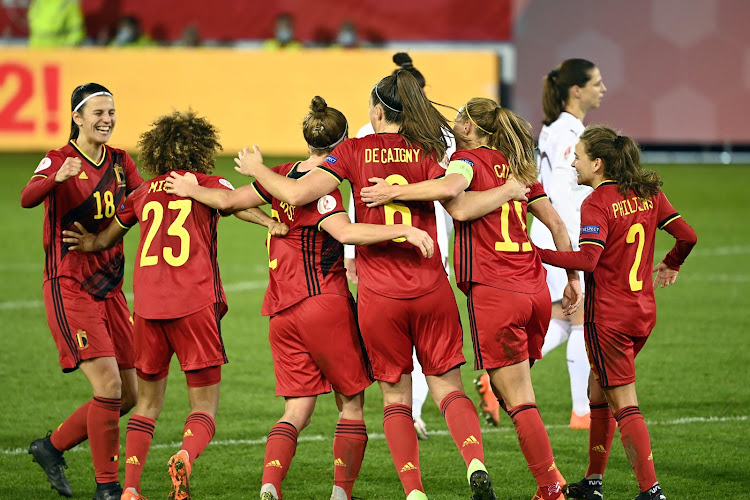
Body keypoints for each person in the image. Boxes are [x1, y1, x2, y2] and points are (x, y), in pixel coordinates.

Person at [228, 73, 500, 500]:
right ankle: (475, 461)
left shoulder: (353, 151)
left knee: (395, 400)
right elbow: (458, 198)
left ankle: (413, 491)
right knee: (449, 387)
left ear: (376, 112)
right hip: (431, 286)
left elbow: (298, 194)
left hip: (379, 297)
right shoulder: (426, 150)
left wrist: (258, 169)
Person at [164, 96, 434, 500]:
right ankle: (341, 493)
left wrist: (192, 188)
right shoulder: (326, 192)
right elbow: (346, 233)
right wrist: (404, 232)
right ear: (342, 144)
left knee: (296, 410)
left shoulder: (280, 175)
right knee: (352, 405)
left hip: (280, 312)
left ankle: (270, 485)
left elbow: (226, 202)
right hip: (324, 304)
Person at [360, 97, 580, 500]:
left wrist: (397, 190)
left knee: (518, 399)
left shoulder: (467, 162)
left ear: (467, 127)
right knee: (513, 389)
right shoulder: (517, 167)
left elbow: (455, 201)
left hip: (496, 290)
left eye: (458, 118)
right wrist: (571, 277)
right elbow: (557, 225)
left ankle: (551, 487)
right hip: (533, 288)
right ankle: (548, 481)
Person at [60, 110, 235, 500]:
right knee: (204, 407)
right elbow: (231, 201)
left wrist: (87, 243)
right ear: (202, 148)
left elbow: (106, 238)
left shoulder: (142, 193)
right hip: (194, 306)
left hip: (148, 311)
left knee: (147, 405)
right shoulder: (203, 183)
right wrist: (271, 221)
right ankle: (185, 456)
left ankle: (132, 489)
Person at [534, 126, 696, 500]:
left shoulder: (597, 203)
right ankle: (593, 481)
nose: (572, 162)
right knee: (597, 388)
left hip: (609, 318)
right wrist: (672, 263)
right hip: (643, 313)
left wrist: (534, 253)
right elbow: (688, 235)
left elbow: (588, 260)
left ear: (598, 162)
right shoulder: (649, 193)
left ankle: (650, 490)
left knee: (623, 401)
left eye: (578, 155)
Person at [21, 83, 142, 500]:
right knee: (107, 387)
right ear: (77, 117)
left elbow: (141, 200)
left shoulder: (121, 161)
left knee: (129, 394)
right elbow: (26, 197)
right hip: (69, 284)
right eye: (98, 112)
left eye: (112, 111)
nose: (107, 119)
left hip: (111, 288)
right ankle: (107, 488)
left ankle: (49, 448)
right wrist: (56, 178)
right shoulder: (60, 159)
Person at [344, 51, 455, 440]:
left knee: (397, 364)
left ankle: (411, 418)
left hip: (381, 252)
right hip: (425, 244)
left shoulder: (362, 135)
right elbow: (451, 189)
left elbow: (349, 197)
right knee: (435, 354)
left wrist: (347, 253)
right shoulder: (439, 138)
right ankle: (423, 415)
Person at [525, 58, 607, 430]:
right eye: (597, 83)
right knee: (581, 319)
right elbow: (559, 190)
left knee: (562, 316)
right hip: (562, 237)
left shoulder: (555, 127)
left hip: (546, 234)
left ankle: (505, 378)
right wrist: (579, 243)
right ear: (577, 90)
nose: (602, 89)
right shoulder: (570, 132)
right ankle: (581, 411)